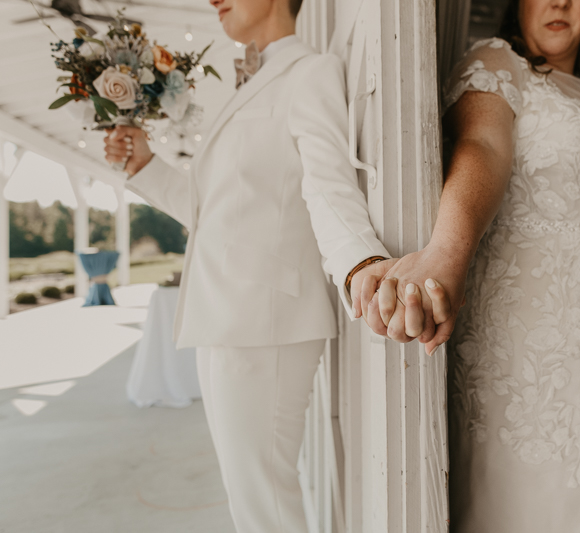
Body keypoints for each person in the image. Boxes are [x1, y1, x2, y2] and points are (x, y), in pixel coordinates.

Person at [358, 0, 580, 531]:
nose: (559, 2)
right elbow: (484, 144)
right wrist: (446, 253)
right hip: (532, 337)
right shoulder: (496, 59)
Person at [103, 0, 399, 531]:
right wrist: (144, 165)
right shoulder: (247, 85)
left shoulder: (311, 71)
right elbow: (209, 208)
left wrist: (360, 263)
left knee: (266, 507)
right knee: (250, 502)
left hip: (265, 321)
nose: (214, 0)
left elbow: (327, 182)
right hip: (222, 318)